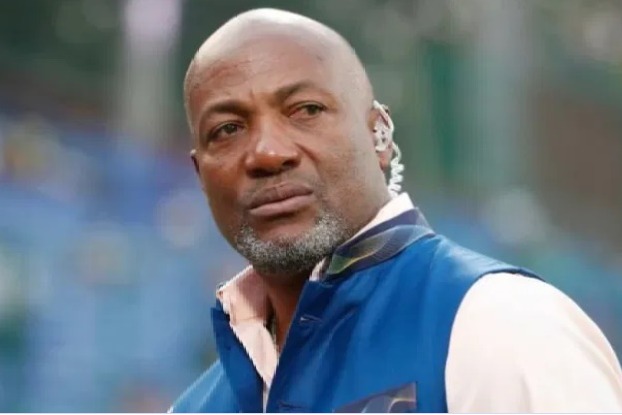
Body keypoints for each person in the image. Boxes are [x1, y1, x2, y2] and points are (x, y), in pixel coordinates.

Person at [170, 8, 622, 413]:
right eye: (227, 130)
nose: (268, 153)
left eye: (306, 109)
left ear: (379, 134)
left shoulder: (501, 325)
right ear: (200, 174)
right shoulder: (194, 408)